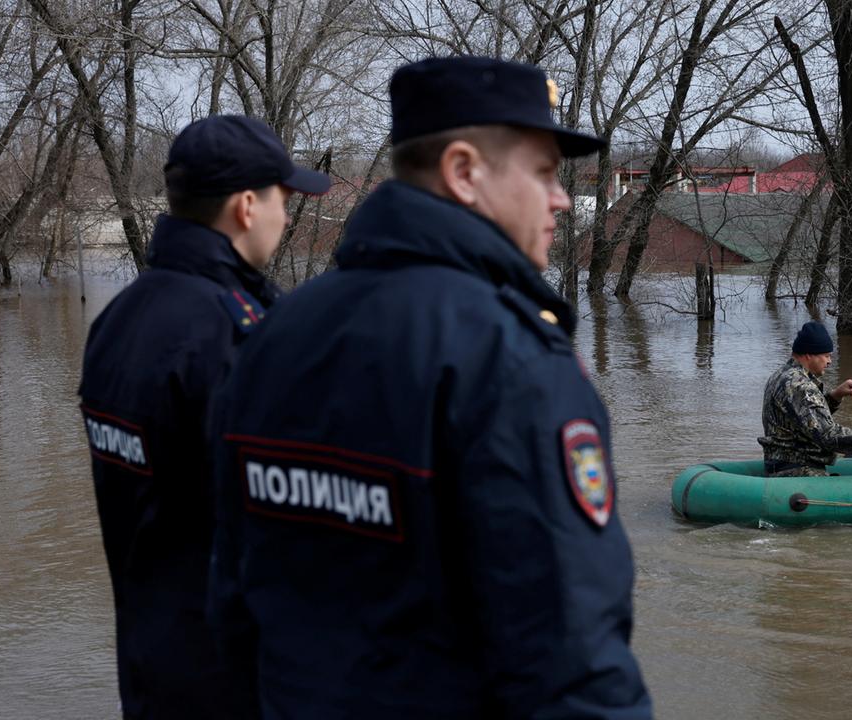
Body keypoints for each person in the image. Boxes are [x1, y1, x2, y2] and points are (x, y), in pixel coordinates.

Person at [208, 57, 652, 718]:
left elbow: (232, 602)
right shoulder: (512, 359)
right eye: (543, 172)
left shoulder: (275, 334)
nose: (560, 198)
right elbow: (571, 661)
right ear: (465, 172)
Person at [78, 115, 330, 718]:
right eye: (284, 198)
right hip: (232, 679)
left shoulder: (119, 317)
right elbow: (280, 529)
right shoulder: (233, 333)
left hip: (147, 663)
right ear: (246, 206)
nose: (287, 216)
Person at [758, 321, 852, 477]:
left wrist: (835, 395)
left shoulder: (782, 375)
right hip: (797, 469)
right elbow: (828, 436)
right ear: (809, 354)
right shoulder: (800, 386)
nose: (830, 361)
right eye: (826, 355)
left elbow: (805, 418)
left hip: (781, 463)